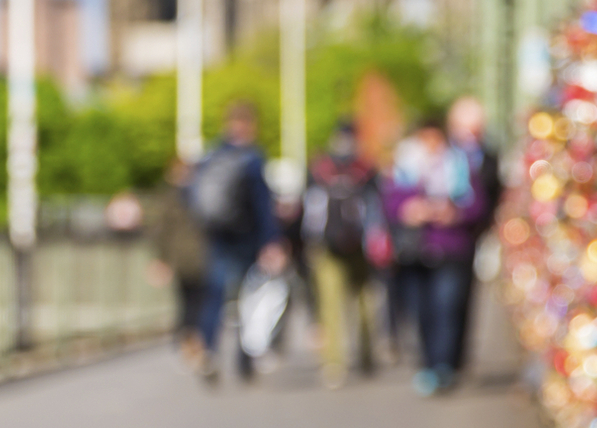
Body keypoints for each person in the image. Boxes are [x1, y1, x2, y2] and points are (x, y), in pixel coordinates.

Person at [383, 117, 485, 397]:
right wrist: (410, 209)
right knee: (422, 312)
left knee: (447, 307)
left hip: (451, 249)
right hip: (416, 252)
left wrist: (454, 213)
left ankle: (444, 365)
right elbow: (389, 203)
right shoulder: (405, 167)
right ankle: (429, 363)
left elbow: (477, 205)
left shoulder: (460, 165)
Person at [186, 102, 285, 384]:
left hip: (216, 238)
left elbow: (191, 198)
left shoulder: (210, 155)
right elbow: (263, 205)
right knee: (247, 300)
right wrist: (272, 241)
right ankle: (244, 359)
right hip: (245, 239)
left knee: (215, 296)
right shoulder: (252, 159)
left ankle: (209, 350)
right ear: (250, 126)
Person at [300, 121, 383, 388]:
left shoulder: (319, 167)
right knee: (362, 302)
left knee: (333, 305)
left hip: (328, 245)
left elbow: (307, 207)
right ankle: (365, 356)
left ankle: (335, 363)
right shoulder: (366, 168)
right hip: (354, 244)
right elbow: (376, 207)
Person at [447, 97, 501, 373]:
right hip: (436, 238)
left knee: (461, 297)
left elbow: (494, 195)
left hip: (469, 237)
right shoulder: (442, 155)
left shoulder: (489, 157)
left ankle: (456, 357)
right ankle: (438, 356)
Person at [147, 160, 208, 370]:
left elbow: (160, 231)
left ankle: (190, 343)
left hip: (192, 258)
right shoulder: (197, 194)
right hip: (191, 259)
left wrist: (161, 259)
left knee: (193, 302)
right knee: (191, 302)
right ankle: (191, 343)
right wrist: (161, 260)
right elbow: (161, 231)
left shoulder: (174, 197)